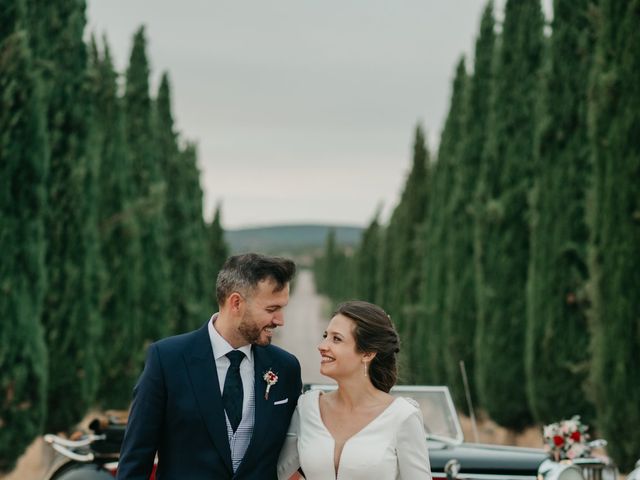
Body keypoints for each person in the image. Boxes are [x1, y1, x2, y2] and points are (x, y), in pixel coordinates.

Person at [117, 253, 302, 480]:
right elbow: (136, 458)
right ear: (236, 303)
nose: (280, 320)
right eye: (272, 309)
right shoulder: (167, 360)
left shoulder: (286, 368)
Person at [278, 300, 432, 480]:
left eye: (336, 339)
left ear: (368, 353)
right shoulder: (307, 408)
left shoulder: (402, 415)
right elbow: (275, 472)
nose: (322, 346)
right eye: (325, 335)